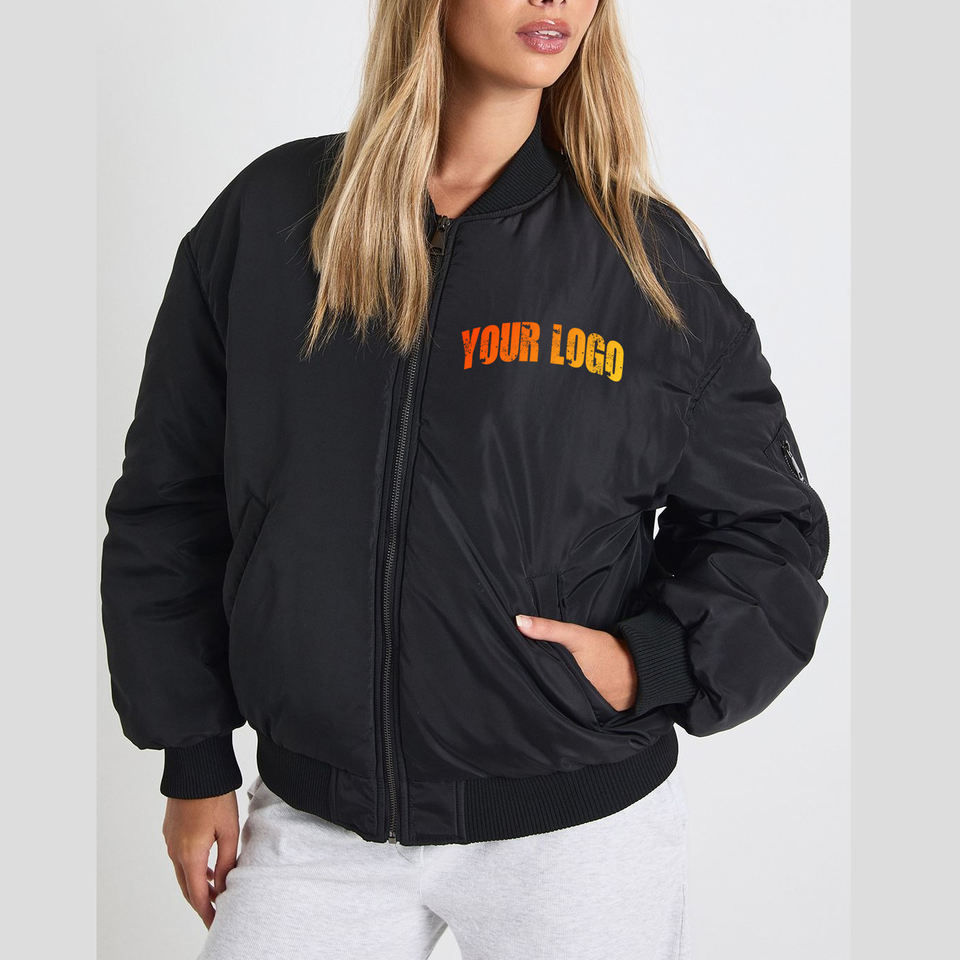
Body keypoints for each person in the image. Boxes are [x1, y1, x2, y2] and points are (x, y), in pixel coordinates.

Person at [99, 1, 831, 957]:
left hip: (575, 834)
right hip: (320, 822)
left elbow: (767, 525)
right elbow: (171, 502)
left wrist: (651, 661)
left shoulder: (640, 261)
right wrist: (194, 757)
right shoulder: (272, 218)